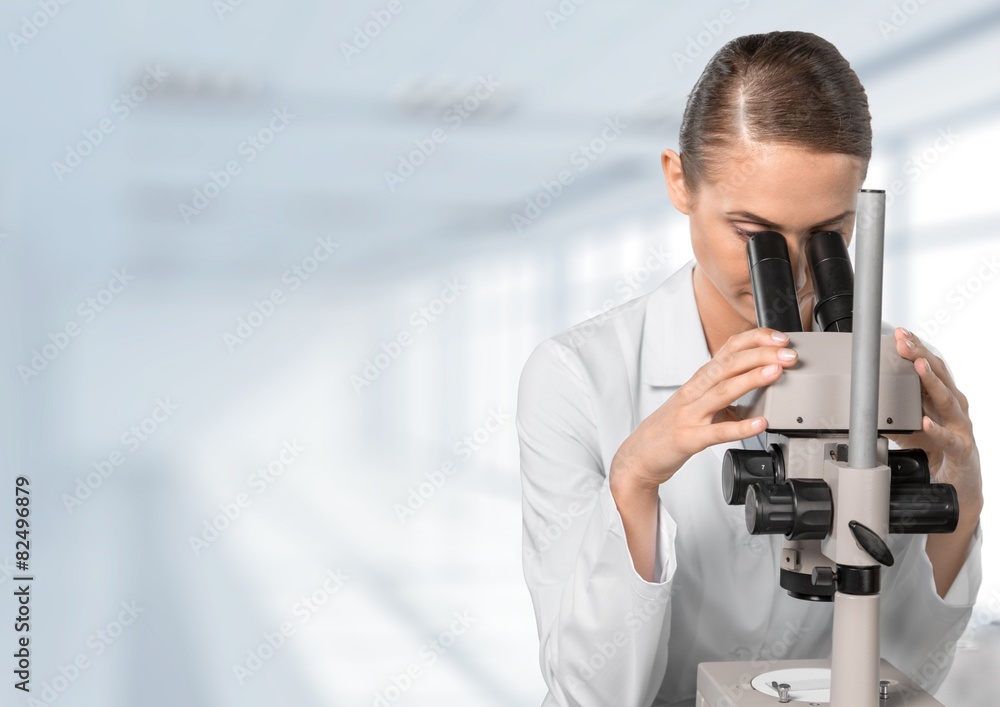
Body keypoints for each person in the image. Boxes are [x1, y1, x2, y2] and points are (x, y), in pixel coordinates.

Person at [516, 31, 983, 707]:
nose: (793, 275)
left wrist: (961, 502)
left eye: (829, 235)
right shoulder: (577, 377)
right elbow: (591, 692)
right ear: (680, 181)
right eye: (753, 233)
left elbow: (912, 672)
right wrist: (635, 479)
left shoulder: (888, 368)